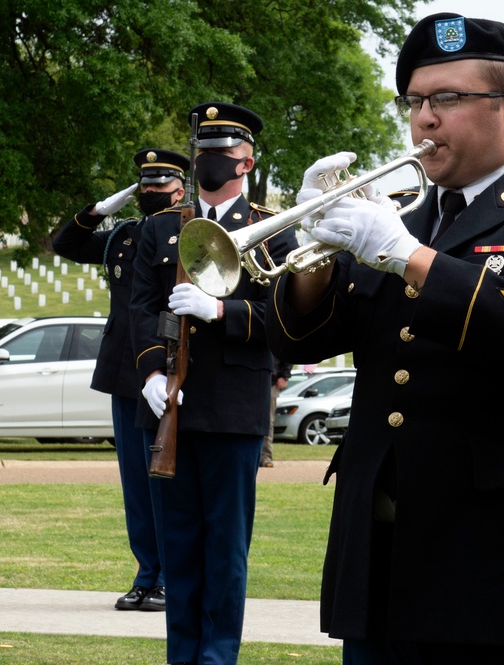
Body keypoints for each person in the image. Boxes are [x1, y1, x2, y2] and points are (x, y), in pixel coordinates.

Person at [266, 13, 504, 664]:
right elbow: (301, 338)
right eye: (414, 100)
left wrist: (406, 255)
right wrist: (316, 249)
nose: (423, 119)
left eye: (447, 99)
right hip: (384, 565)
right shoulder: (402, 217)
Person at [129, 101, 297, 665]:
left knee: (225, 548)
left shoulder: (271, 230)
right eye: (203, 149)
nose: (209, 160)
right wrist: (152, 371)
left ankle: (218, 656)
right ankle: (183, 656)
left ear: (247, 162)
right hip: (168, 406)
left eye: (222, 152)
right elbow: (140, 308)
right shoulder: (159, 229)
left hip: (232, 408)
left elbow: (284, 323)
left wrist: (221, 312)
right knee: (178, 547)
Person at [52, 148, 192, 613]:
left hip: (170, 365)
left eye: (160, 185)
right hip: (125, 370)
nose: (151, 192)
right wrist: (97, 211)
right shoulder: (126, 236)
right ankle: (146, 574)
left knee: (167, 481)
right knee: (136, 484)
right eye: (144, 185)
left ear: (180, 187)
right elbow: (64, 244)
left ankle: (173, 577)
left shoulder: (193, 232)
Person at [261, 357, 292, 468]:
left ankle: (265, 456)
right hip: (250, 378)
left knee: (268, 420)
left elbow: (287, 352)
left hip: (271, 380)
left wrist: (284, 376)